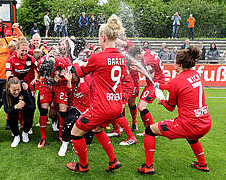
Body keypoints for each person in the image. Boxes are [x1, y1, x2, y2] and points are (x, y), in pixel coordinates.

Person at [66, 14, 127, 173]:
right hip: (116, 106)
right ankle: (113, 161)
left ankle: (83, 166)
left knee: (75, 132)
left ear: (103, 37)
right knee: (97, 129)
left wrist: (74, 58)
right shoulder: (121, 57)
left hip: (102, 106)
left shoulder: (98, 57)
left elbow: (79, 73)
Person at [138, 46, 211, 174]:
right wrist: (160, 86)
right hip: (205, 122)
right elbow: (177, 86)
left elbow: (170, 108)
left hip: (189, 124)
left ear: (178, 64)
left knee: (150, 130)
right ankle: (202, 164)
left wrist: (161, 101)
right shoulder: (196, 74)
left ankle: (148, 167)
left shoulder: (176, 81)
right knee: (192, 137)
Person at [0, 24, 24, 130]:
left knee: (10, 100)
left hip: (9, 77)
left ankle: (9, 121)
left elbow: (21, 38)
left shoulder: (6, 41)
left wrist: (16, 28)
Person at [127, 47, 165, 136]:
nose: (136, 60)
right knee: (141, 105)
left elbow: (151, 76)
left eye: (135, 58)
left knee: (141, 106)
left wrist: (138, 70)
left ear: (137, 55)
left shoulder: (148, 60)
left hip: (155, 83)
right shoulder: (147, 52)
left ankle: (153, 131)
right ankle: (148, 130)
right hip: (152, 83)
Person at [59, 67, 94, 156]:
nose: (72, 78)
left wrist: (81, 78)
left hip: (88, 109)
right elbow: (69, 94)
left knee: (88, 140)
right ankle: (64, 143)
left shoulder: (87, 79)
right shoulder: (72, 81)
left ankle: (77, 140)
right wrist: (69, 81)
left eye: (74, 76)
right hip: (76, 107)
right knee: (70, 120)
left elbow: (85, 92)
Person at [3, 76, 35, 147]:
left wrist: (24, 104)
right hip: (14, 106)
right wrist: (15, 107)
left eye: (18, 89)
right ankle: (16, 136)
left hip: (24, 104)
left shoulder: (24, 87)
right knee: (11, 116)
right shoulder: (4, 91)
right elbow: (6, 110)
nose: (17, 92)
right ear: (9, 89)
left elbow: (33, 106)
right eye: (14, 90)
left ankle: (25, 132)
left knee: (29, 115)